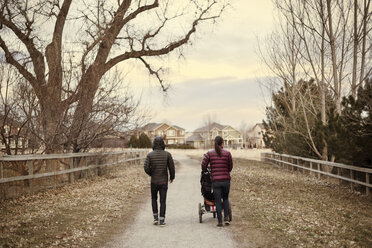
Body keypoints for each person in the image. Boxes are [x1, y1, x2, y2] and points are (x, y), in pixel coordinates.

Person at [201, 136, 233, 227]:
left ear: (214, 143)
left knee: (218, 201)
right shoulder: (227, 153)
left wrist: (207, 171)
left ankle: (219, 222)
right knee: (225, 198)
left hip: (215, 181)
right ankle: (226, 218)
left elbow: (203, 165)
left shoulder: (210, 153)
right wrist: (226, 172)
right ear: (222, 143)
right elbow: (230, 167)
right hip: (226, 180)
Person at [144, 136, 175, 227]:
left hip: (154, 181)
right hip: (163, 181)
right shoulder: (167, 154)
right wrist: (172, 177)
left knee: (154, 199)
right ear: (163, 144)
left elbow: (146, 167)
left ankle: (155, 218)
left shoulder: (150, 155)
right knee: (163, 201)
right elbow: (171, 167)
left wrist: (151, 174)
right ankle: (162, 220)